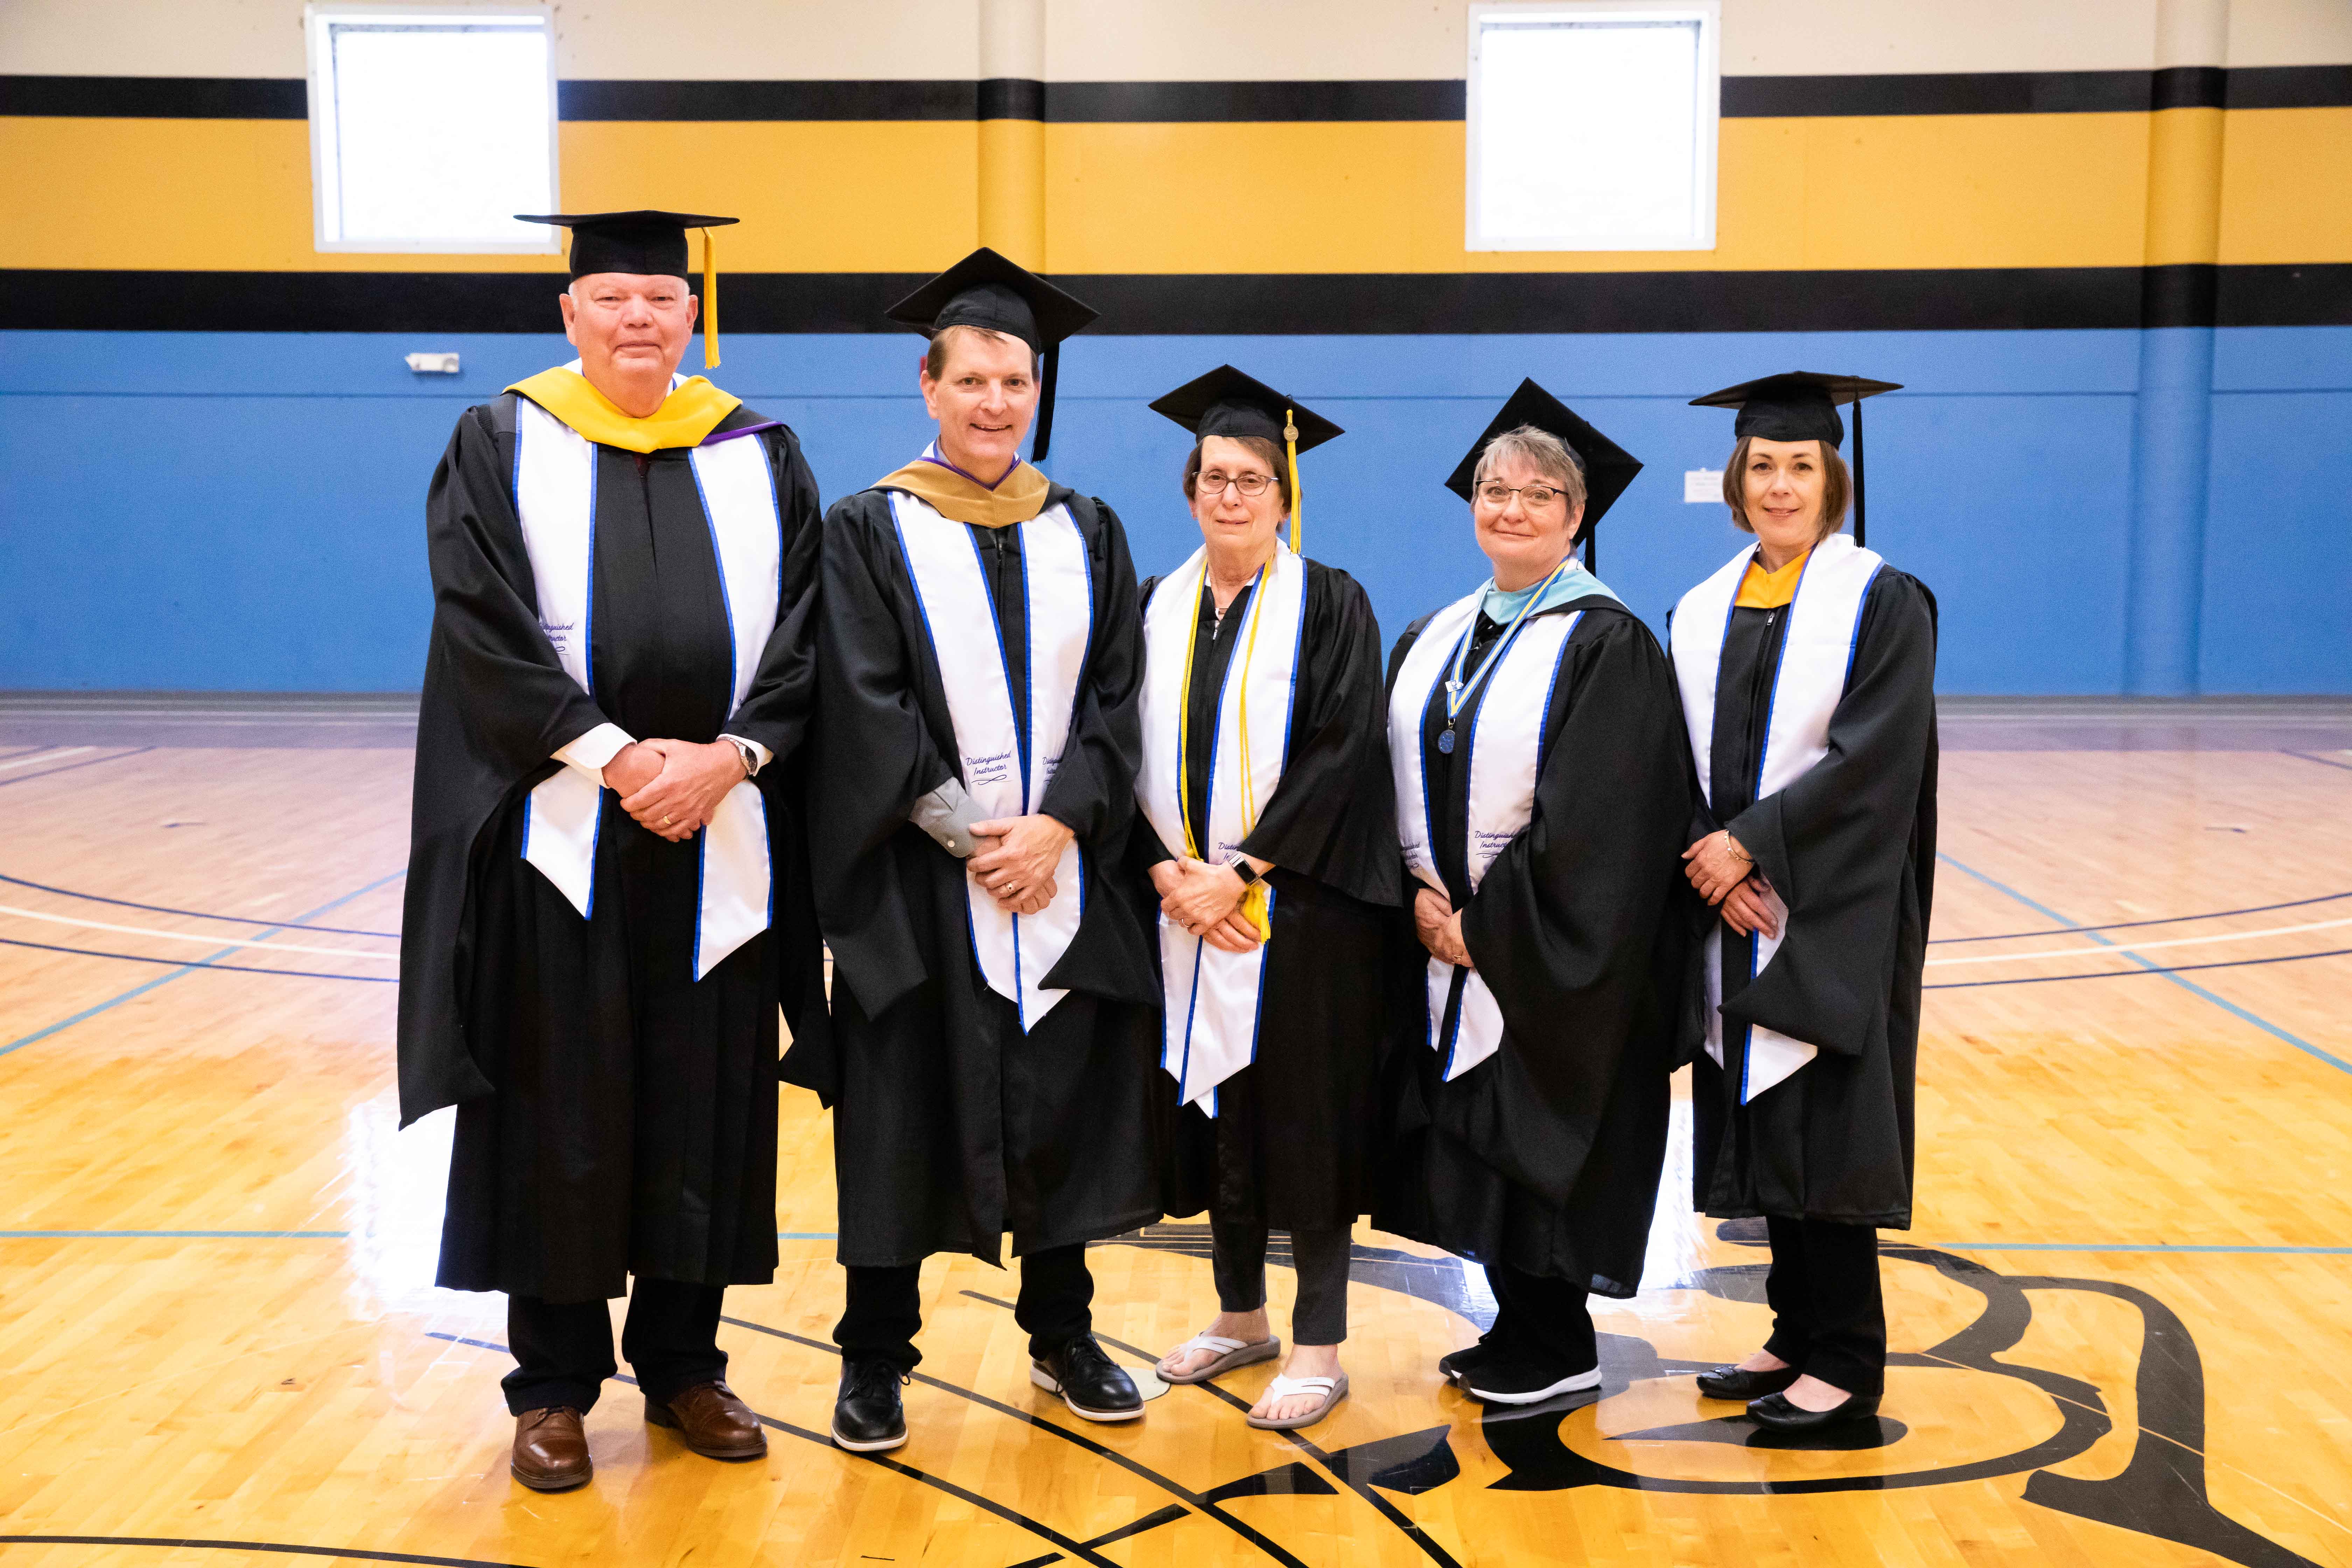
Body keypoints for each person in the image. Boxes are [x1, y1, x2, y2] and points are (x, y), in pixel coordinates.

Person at [398, 210, 828, 1491]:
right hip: (565, 831)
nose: (638, 318)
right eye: (612, 297)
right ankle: (554, 1389)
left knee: (704, 1098)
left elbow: (813, 628)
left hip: (720, 827)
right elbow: (479, 618)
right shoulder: (501, 437)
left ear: (688, 315)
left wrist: (730, 757)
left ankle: (689, 1366)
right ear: (570, 316)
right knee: (561, 1104)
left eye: (659, 296)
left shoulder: (760, 450)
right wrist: (616, 754)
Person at [794, 248, 1161, 1453]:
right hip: (920, 887)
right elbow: (861, 700)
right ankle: (873, 1357)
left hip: (1057, 874)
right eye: (976, 381)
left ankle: (1063, 1332)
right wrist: (974, 839)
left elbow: (1120, 699)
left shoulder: (1089, 529)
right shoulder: (866, 529)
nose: (998, 403)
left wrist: (1056, 826)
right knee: (903, 1115)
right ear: (929, 385)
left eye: (1018, 381)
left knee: (1057, 1103)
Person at [1375, 380, 1690, 1406]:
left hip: (1549, 954)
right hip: (1451, 939)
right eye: (1492, 490)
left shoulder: (1609, 643)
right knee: (1472, 1134)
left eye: (1537, 494)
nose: (1509, 508)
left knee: (1546, 1131)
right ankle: (1516, 1322)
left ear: (1577, 515)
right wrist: (1418, 903)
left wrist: (1488, 928)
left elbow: (1603, 823)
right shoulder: (1438, 632)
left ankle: (1560, 1340)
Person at [1668, 370, 1938, 1434]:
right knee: (1761, 1116)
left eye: (1802, 466)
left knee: (1825, 1126)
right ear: (1738, 479)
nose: (1781, 485)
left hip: (1829, 908)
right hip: (1729, 903)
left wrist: (1750, 848)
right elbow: (1677, 756)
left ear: (1836, 478)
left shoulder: (1883, 600)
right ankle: (1793, 1331)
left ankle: (1850, 1359)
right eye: (1764, 466)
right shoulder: (1704, 605)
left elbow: (1879, 761)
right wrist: (1707, 856)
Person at [1132, 367, 1399, 1431]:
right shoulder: (1159, 604)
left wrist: (1243, 872)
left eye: (1251, 479)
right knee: (1221, 1116)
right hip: (1184, 909)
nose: (1231, 497)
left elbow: (1343, 752)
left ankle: (1321, 1342)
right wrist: (1169, 872)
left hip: (1302, 913)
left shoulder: (1331, 602)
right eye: (1213, 478)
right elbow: (1120, 746)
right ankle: (1241, 1318)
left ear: (1284, 495)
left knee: (1307, 1122)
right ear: (1191, 490)